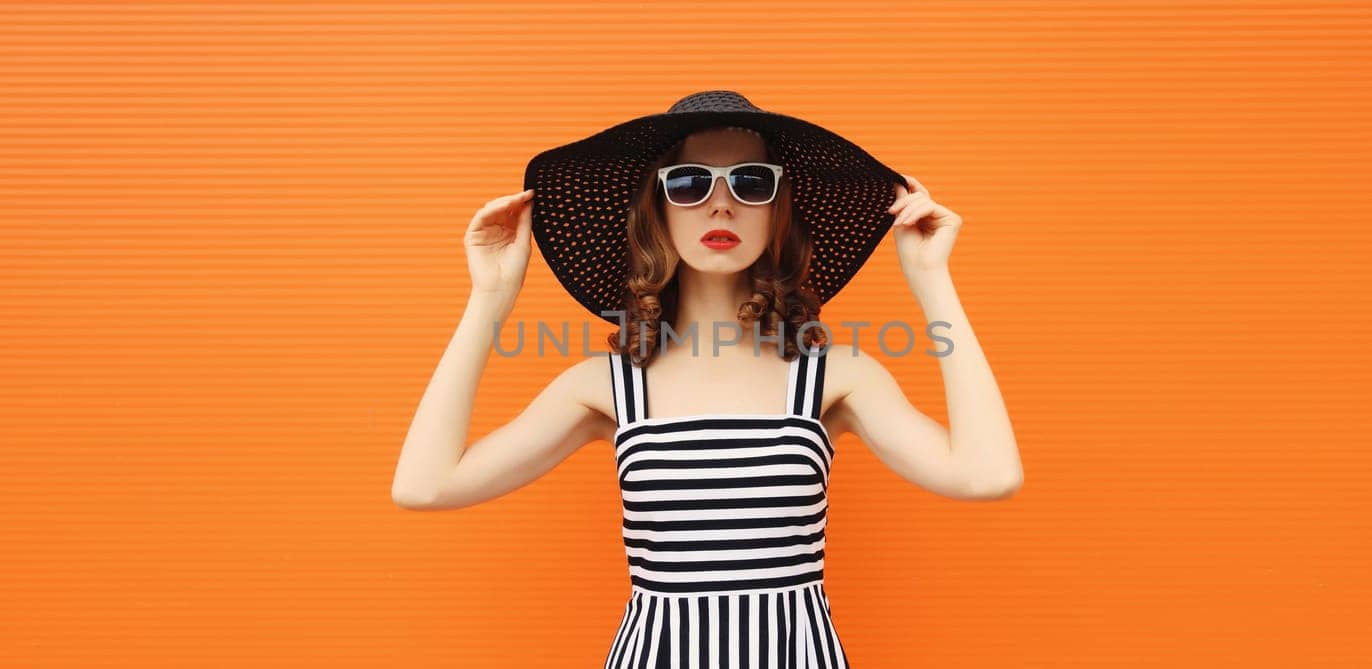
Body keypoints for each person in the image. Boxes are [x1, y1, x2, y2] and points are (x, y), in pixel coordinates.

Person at [392, 91, 1023, 669]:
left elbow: (987, 475)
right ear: (657, 210)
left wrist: (932, 281)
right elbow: (425, 486)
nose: (721, 202)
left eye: (751, 181)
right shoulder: (608, 386)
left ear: (779, 210)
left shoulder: (836, 376)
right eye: (691, 182)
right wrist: (490, 299)